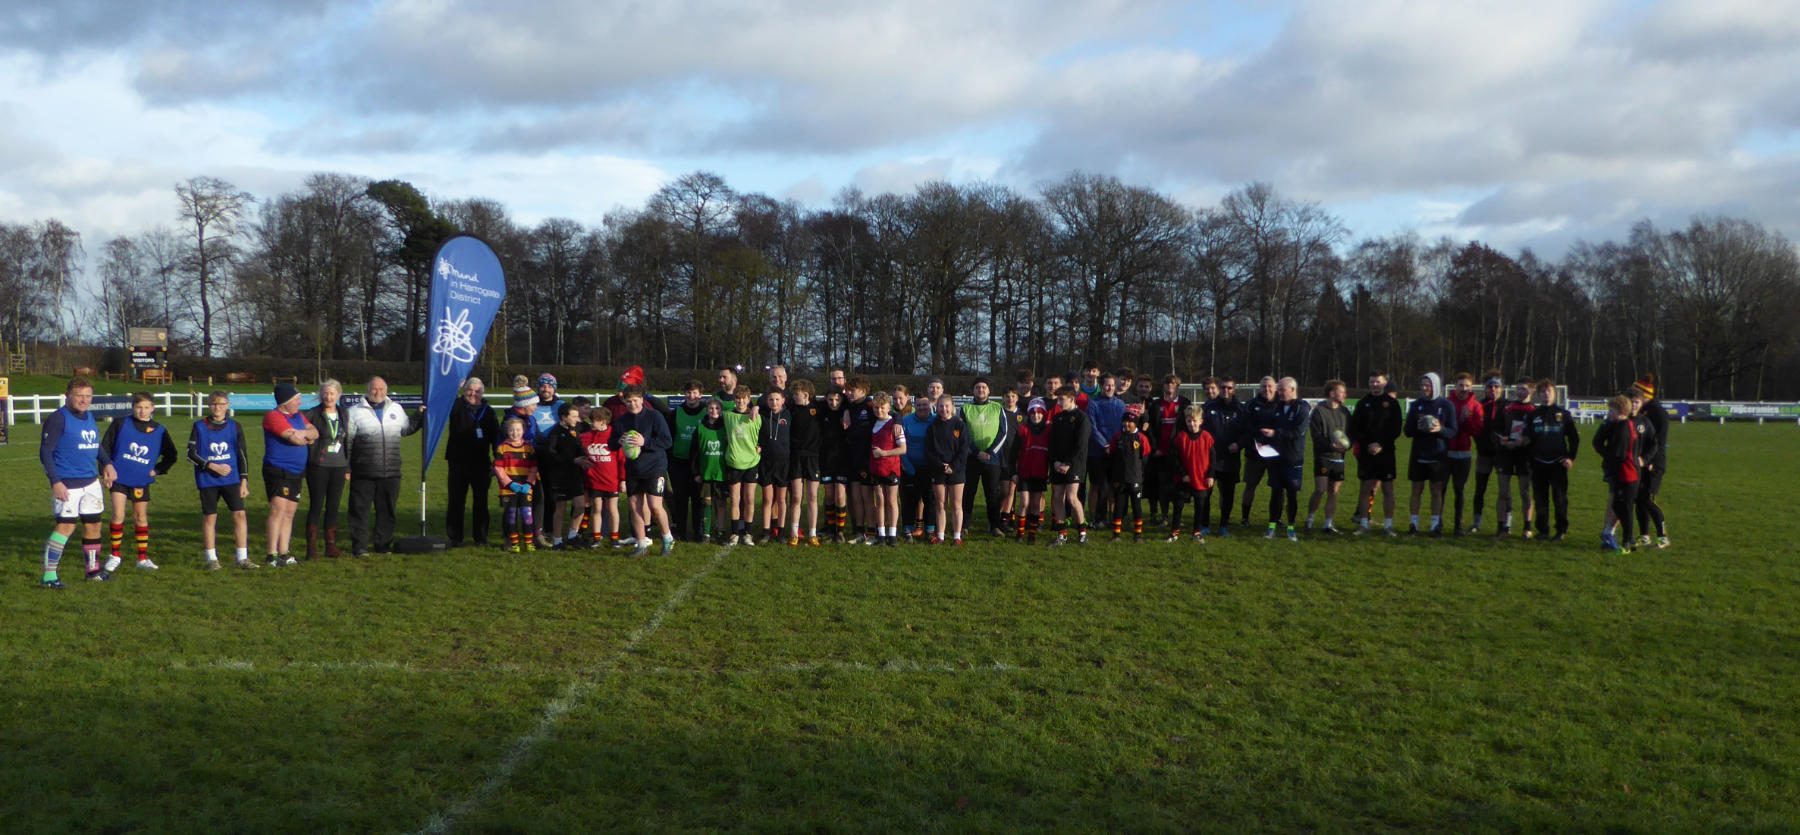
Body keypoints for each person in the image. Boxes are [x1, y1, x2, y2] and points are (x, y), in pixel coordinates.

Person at [38, 377, 117, 585]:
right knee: (65, 527)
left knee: (94, 526)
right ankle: (49, 577)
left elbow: (95, 444)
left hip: (91, 482)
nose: (84, 400)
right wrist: (55, 481)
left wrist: (107, 463)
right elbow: (45, 452)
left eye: (88, 395)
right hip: (67, 484)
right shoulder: (58, 418)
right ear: (68, 396)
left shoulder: (89, 416)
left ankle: (92, 572)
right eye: (79, 395)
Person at [343, 376, 425, 557]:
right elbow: (347, 441)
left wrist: (419, 414)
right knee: (359, 511)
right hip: (363, 471)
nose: (378, 392)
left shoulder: (396, 408)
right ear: (367, 390)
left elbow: (406, 429)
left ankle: (383, 545)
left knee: (387, 511)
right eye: (374, 389)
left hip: (391, 471)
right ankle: (360, 547)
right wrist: (346, 468)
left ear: (386, 391)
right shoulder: (354, 411)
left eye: (381, 389)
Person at [99, 390, 177, 573]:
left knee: (140, 517)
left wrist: (157, 470)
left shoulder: (159, 430)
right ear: (133, 407)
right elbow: (105, 448)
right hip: (119, 478)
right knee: (118, 515)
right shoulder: (120, 423)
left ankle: (142, 558)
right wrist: (105, 472)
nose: (142, 411)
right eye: (139, 407)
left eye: (146, 407)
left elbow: (172, 455)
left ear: (153, 408)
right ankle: (115, 555)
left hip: (141, 480)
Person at [189, 390, 254, 570]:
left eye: (221, 404)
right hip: (207, 480)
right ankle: (212, 559)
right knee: (210, 518)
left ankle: (242, 558)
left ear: (227, 405)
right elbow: (190, 454)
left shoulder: (235, 426)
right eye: (214, 404)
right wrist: (212, 466)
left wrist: (244, 480)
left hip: (232, 480)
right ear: (209, 406)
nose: (217, 408)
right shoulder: (199, 426)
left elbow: (242, 455)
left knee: (240, 515)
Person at [611, 385, 675, 556]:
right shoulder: (621, 421)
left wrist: (644, 442)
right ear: (624, 401)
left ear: (642, 400)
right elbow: (611, 443)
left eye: (635, 400)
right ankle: (641, 543)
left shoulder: (654, 416)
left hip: (655, 467)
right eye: (629, 401)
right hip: (633, 469)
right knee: (634, 506)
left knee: (654, 506)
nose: (632, 404)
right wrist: (620, 440)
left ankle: (668, 538)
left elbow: (666, 441)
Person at [262, 382, 318, 566]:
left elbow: (315, 432)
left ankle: (284, 552)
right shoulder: (273, 416)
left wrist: (302, 433)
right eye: (296, 399)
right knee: (278, 510)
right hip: (279, 470)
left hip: (296, 471)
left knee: (290, 513)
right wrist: (303, 435)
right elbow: (296, 441)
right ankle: (271, 554)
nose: (300, 402)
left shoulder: (298, 416)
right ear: (285, 402)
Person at [1594, 393, 1658, 554]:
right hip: (1625, 472)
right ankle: (1628, 539)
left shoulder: (1624, 428)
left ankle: (1627, 542)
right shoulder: (1622, 425)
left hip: (1627, 473)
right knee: (1618, 505)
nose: (1609, 414)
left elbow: (1619, 454)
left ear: (1621, 411)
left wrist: (1609, 463)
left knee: (1626, 507)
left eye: (1611, 410)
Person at [444, 377, 498, 549]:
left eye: (477, 391)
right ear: (464, 390)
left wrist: (498, 461)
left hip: (481, 463)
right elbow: (444, 401)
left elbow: (496, 439)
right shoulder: (457, 406)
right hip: (457, 462)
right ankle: (455, 537)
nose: (473, 394)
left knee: (481, 502)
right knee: (456, 501)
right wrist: (454, 387)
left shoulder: (488, 412)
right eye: (469, 390)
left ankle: (481, 538)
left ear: (482, 393)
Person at [1524, 379, 1579, 541]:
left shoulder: (1564, 415)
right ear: (1538, 395)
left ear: (1555, 394)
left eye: (1549, 392)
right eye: (1543, 392)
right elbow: (1527, 438)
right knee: (1540, 498)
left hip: (1558, 463)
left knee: (1560, 498)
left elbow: (1574, 439)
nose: (1546, 395)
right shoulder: (1533, 415)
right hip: (1538, 463)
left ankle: (1561, 530)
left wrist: (1570, 457)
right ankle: (1542, 530)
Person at [1404, 373, 1458, 536]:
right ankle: (1413, 524)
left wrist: (1439, 429)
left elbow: (1453, 431)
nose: (1424, 388)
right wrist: (1418, 427)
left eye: (1428, 385)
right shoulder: (1416, 405)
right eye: (1422, 385)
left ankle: (1435, 526)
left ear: (1435, 386)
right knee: (1416, 490)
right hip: (1418, 454)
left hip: (1438, 456)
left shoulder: (1446, 405)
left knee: (1436, 491)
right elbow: (1407, 431)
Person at [1349, 371, 1403, 535]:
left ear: (1384, 383)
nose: (1374, 385)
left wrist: (1380, 444)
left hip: (1386, 453)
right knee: (1365, 488)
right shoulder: (1362, 403)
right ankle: (1363, 524)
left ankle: (1388, 526)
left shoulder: (1392, 404)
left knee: (1388, 489)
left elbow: (1396, 428)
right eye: (1372, 382)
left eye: (1378, 382)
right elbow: (1355, 428)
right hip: (1367, 453)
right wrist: (1368, 444)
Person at [304, 379, 352, 558]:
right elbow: (301, 430)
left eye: (332, 393)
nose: (328, 397)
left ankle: (331, 546)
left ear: (338, 395)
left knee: (334, 506)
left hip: (339, 466)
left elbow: (348, 441)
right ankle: (311, 548)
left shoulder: (344, 413)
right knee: (316, 505)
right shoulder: (313, 414)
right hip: (318, 466)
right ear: (320, 395)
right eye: (325, 393)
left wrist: (348, 467)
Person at [960, 377, 1012, 537]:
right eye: (977, 387)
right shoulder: (965, 408)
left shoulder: (998, 408)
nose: (981, 390)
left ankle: (994, 525)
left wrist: (990, 452)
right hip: (971, 458)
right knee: (968, 492)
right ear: (973, 390)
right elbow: (963, 435)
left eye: (983, 387)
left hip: (992, 458)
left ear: (989, 390)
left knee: (992, 493)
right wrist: (976, 452)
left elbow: (1003, 433)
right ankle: (964, 525)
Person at [1491, 378, 1539, 537]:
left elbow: (1536, 435)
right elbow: (1495, 430)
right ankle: (1501, 527)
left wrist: (1523, 441)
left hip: (1524, 456)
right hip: (1505, 454)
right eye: (1518, 389)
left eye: (1524, 389)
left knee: (1525, 493)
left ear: (1532, 391)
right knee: (1503, 492)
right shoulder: (1507, 408)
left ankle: (1527, 527)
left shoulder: (1534, 411)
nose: (1520, 392)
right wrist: (1502, 441)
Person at [1264, 377, 1311, 541]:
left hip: (1293, 460)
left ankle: (1291, 527)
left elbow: (1298, 432)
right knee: (1275, 494)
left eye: (1282, 389)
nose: (1279, 392)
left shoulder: (1302, 409)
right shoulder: (1277, 408)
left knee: (1292, 495)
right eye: (1279, 389)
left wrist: (1276, 433)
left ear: (1293, 389)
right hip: (1276, 459)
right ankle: (1272, 526)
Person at [538, 402, 588, 548]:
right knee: (560, 509)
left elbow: (579, 448)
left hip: (575, 475)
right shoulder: (555, 433)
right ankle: (558, 540)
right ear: (564, 417)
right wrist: (572, 460)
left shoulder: (574, 431)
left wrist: (584, 458)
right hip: (560, 476)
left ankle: (572, 536)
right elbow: (551, 455)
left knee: (580, 506)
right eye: (574, 416)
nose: (577, 419)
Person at [1200, 377, 1246, 535]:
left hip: (1230, 459)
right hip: (1210, 458)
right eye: (1223, 388)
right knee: (1206, 492)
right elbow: (1201, 429)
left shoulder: (1240, 409)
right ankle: (1204, 524)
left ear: (1234, 390)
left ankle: (1223, 525)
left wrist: (1239, 444)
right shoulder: (1209, 407)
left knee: (1228, 494)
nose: (1226, 391)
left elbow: (1246, 432)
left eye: (1229, 388)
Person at [1629, 374, 1671, 549]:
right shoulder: (1640, 412)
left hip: (1653, 463)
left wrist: (1650, 460)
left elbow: (1658, 441)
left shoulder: (1657, 412)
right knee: (1639, 498)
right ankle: (1644, 535)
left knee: (1648, 499)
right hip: (1641, 462)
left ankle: (1663, 537)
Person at [1047, 385, 1092, 545]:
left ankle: (1082, 532)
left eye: (1061, 399)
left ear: (1071, 399)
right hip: (1058, 465)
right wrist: (1055, 462)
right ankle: (1062, 534)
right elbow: (1051, 443)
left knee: (1072, 498)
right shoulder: (1058, 418)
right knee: (1058, 497)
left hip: (1074, 465)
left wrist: (1068, 463)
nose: (1059, 402)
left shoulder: (1082, 418)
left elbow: (1080, 445)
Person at [924, 394, 971, 544]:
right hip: (938, 470)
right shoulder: (932, 427)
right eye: (941, 406)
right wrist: (940, 465)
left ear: (952, 407)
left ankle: (957, 536)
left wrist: (953, 466)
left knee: (956, 505)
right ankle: (941, 536)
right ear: (936, 408)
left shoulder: (960, 425)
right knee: (940, 504)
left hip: (956, 470)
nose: (944, 409)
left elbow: (964, 449)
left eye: (946, 406)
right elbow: (929, 450)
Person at [1166, 404, 1216, 543]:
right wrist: (1183, 474)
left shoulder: (1207, 437)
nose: (1192, 424)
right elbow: (1175, 458)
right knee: (1178, 505)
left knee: (1200, 506)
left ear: (1201, 421)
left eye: (1195, 421)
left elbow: (1213, 459)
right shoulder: (1181, 437)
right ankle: (1174, 532)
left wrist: (1210, 475)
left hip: (1201, 478)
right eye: (1189, 421)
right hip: (1185, 478)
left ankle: (1196, 532)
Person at [1305, 379, 1350, 533]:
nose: (1345, 395)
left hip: (1339, 458)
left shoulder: (1345, 412)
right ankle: (1310, 519)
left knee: (1334, 491)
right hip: (1323, 457)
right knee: (1320, 489)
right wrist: (1329, 446)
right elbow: (1315, 435)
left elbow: (1350, 435)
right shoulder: (1319, 411)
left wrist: (1346, 446)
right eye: (1341, 391)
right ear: (1332, 393)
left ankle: (1328, 524)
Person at [667, 379, 709, 543]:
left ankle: (698, 531)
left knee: (698, 499)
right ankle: (681, 531)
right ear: (685, 394)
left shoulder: (706, 413)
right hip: (678, 462)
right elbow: (669, 438)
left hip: (698, 464)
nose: (692, 396)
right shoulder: (676, 413)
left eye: (695, 392)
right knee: (680, 499)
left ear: (700, 394)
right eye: (689, 392)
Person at [1145, 374, 1189, 527]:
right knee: (1163, 485)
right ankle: (1164, 516)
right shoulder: (1156, 405)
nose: (1170, 386)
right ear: (1163, 386)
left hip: (1178, 452)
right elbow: (1149, 428)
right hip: (1161, 453)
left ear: (1178, 386)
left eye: (1173, 383)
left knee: (1179, 486)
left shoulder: (1184, 403)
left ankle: (1178, 517)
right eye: (1167, 383)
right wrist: (1155, 448)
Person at [578, 405, 625, 548]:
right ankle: (596, 537)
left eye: (594, 421)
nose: (591, 424)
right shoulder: (585, 437)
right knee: (597, 508)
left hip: (611, 480)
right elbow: (579, 453)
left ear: (603, 422)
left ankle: (614, 537)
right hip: (594, 480)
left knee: (612, 509)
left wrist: (623, 480)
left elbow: (622, 460)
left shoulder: (614, 437)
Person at [1444, 372, 1485, 535]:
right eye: (1461, 385)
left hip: (1464, 454)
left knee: (1459, 490)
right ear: (1455, 386)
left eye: (1467, 385)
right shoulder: (1447, 403)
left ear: (1471, 387)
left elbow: (1477, 430)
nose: (1464, 388)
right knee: (1441, 489)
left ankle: (1458, 525)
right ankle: (1437, 523)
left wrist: (1466, 419)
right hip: (1446, 453)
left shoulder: (1475, 406)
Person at [723, 385, 763, 545]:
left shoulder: (756, 417)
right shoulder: (727, 415)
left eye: (744, 399)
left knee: (750, 499)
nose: (740, 401)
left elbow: (763, 435)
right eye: (738, 399)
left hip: (751, 462)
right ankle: (734, 533)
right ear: (734, 400)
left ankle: (747, 533)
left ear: (749, 400)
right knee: (734, 499)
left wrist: (760, 446)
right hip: (733, 462)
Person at [1239, 376, 1281, 527]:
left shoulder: (1282, 404)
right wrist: (1258, 437)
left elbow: (1284, 426)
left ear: (1275, 388)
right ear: (1259, 388)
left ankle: (1276, 518)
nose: (1267, 389)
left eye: (1270, 386)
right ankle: (1245, 517)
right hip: (1255, 452)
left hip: (1276, 454)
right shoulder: (1251, 404)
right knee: (1250, 485)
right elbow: (1246, 425)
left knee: (1278, 487)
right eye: (1264, 386)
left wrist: (1274, 435)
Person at [1084, 373, 1125, 529]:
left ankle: (1113, 517)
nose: (1110, 388)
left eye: (1113, 385)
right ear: (1101, 386)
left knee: (1113, 487)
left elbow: (1123, 427)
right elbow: (1092, 427)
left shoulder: (1120, 404)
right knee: (1097, 485)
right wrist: (1104, 445)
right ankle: (1095, 517)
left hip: (1115, 451)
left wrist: (1114, 446)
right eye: (1107, 385)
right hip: (1097, 452)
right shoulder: (1093, 404)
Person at [493, 416, 538, 553]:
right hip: (509, 489)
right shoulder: (502, 448)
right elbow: (498, 468)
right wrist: (510, 483)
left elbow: (534, 468)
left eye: (518, 430)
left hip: (525, 487)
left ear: (523, 431)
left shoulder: (529, 448)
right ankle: (514, 543)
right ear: (507, 431)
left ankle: (529, 542)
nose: (515, 433)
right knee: (511, 514)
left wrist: (529, 483)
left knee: (527, 514)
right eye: (512, 430)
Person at [1468, 373, 1507, 533]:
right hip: (1483, 454)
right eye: (1490, 386)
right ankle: (1476, 523)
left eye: (1496, 386)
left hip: (1503, 455)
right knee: (1480, 489)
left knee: (1504, 491)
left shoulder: (1508, 406)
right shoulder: (1479, 405)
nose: (1493, 389)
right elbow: (1473, 428)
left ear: (1501, 389)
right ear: (1485, 388)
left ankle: (1505, 524)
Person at [1107, 405, 1152, 542]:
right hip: (1120, 478)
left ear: (1136, 423)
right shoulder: (1118, 436)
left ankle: (1137, 534)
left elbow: (1145, 458)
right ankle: (1116, 535)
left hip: (1135, 478)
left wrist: (1140, 475)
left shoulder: (1141, 438)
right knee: (1119, 506)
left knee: (1137, 506)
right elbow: (1113, 454)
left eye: (1130, 422)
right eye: (1125, 421)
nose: (1127, 424)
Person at [786, 380, 823, 546]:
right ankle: (794, 533)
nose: (794, 397)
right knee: (796, 497)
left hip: (813, 458)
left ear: (806, 395)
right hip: (795, 457)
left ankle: (812, 533)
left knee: (813, 497)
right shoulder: (791, 409)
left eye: (797, 394)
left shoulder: (819, 409)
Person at [688, 398, 729, 543]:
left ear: (721, 410)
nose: (714, 411)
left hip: (721, 472)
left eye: (717, 408)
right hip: (705, 472)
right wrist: (696, 472)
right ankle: (706, 533)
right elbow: (694, 452)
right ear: (706, 410)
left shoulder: (726, 427)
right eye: (711, 408)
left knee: (721, 502)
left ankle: (720, 532)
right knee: (706, 502)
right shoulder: (700, 428)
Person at [868, 392, 906, 546]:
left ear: (888, 408)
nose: (879, 411)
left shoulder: (895, 425)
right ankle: (881, 535)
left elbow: (903, 449)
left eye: (882, 408)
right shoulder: (873, 422)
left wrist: (884, 453)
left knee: (891, 501)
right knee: (880, 500)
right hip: (876, 468)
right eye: (876, 408)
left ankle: (893, 534)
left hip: (891, 469)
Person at [844, 377, 879, 543]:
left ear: (864, 391)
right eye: (848, 390)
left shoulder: (871, 406)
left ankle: (872, 532)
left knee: (867, 497)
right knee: (855, 496)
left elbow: (890, 415)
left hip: (867, 459)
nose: (849, 393)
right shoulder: (848, 405)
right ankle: (859, 531)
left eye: (853, 390)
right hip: (851, 457)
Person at [1013, 398, 1051, 543]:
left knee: (1035, 504)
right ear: (1029, 414)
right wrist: (1014, 472)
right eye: (1033, 413)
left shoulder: (1048, 431)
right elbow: (1014, 452)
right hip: (1024, 472)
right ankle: (1020, 533)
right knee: (1024, 502)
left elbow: (1051, 453)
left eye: (1039, 413)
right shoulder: (1023, 429)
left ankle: (1032, 534)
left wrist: (1050, 473)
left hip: (1040, 473)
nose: (1036, 416)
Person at [758, 388, 792, 544]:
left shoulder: (788, 415)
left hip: (783, 463)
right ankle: (765, 532)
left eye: (777, 399)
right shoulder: (762, 415)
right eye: (771, 399)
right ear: (767, 401)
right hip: (766, 463)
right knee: (767, 498)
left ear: (783, 400)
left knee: (781, 499)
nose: (774, 402)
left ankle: (781, 532)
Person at [817, 385, 850, 541]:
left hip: (843, 459)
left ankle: (840, 531)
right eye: (830, 399)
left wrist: (847, 411)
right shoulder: (822, 411)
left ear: (842, 399)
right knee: (829, 496)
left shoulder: (846, 411)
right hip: (826, 459)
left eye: (837, 399)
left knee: (840, 496)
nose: (834, 402)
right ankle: (830, 529)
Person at [902, 394, 936, 542]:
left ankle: (930, 530)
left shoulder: (936, 420)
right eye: (919, 405)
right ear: (915, 406)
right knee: (909, 501)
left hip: (930, 467)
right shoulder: (906, 420)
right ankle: (908, 530)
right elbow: (900, 444)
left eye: (925, 404)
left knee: (930, 500)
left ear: (930, 405)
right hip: (910, 467)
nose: (922, 407)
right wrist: (907, 466)